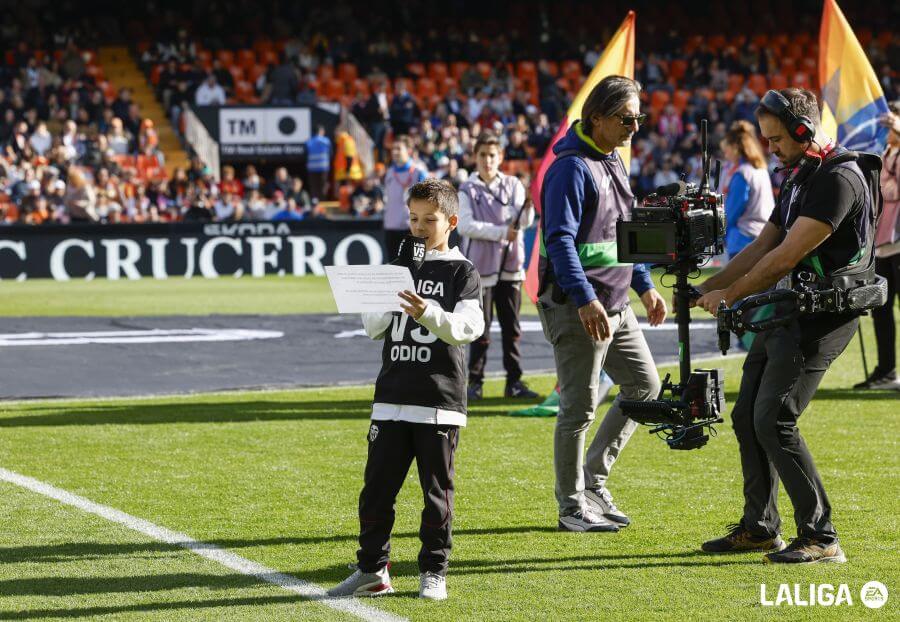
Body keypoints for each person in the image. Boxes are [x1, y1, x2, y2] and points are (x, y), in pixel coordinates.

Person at [695, 88, 878, 564]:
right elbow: (761, 247)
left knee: (774, 419)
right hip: (792, 309)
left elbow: (785, 256)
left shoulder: (838, 179)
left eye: (776, 139)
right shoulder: (799, 175)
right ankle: (760, 527)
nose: (770, 147)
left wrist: (729, 296)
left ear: (803, 131)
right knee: (745, 417)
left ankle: (821, 536)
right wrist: (704, 287)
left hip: (825, 318)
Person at [328, 179, 484, 601]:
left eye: (428, 220)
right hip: (391, 395)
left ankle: (434, 571)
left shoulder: (462, 271)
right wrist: (387, 286)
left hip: (437, 401)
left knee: (436, 495)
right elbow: (374, 328)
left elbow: (469, 328)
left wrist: (427, 311)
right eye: (413, 218)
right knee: (375, 491)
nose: (418, 227)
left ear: (451, 222)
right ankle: (372, 569)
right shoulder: (399, 265)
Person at [537, 75, 667, 533]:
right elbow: (559, 241)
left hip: (614, 302)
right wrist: (585, 298)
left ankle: (591, 483)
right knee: (579, 408)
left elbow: (621, 235)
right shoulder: (571, 168)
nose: (635, 126)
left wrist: (645, 284)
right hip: (580, 306)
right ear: (597, 117)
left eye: (638, 118)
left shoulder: (612, 159)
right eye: (625, 118)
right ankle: (572, 506)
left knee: (644, 389)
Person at [457, 131, 537, 399]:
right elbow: (466, 226)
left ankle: (514, 382)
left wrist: (527, 207)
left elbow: (523, 221)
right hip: (480, 268)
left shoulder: (513, 184)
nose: (487, 160)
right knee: (480, 327)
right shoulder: (466, 189)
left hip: (511, 266)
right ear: (475, 157)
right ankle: (475, 383)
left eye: (492, 155)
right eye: (482, 155)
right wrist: (502, 232)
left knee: (511, 327)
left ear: (500, 157)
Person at [854, 104, 900, 390]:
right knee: (881, 310)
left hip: (897, 242)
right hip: (883, 244)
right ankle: (886, 370)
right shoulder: (886, 153)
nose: (887, 129)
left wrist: (882, 188)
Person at [720, 120, 776, 258]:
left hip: (743, 239)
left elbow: (732, 211)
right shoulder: (761, 170)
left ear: (735, 148)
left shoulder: (742, 173)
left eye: (727, 151)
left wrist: (721, 232)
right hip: (765, 236)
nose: (726, 156)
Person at [383, 135, 427, 261]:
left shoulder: (419, 172)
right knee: (393, 267)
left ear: (409, 150)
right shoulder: (390, 172)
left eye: (398, 148)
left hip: (412, 228)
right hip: (391, 227)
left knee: (414, 266)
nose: (394, 152)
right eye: (393, 149)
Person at [305, 125, 332, 202]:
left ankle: (315, 203)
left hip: (312, 168)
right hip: (323, 167)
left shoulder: (309, 141)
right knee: (323, 186)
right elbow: (331, 154)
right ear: (321, 131)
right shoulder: (326, 141)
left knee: (314, 186)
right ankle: (323, 202)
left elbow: (305, 154)